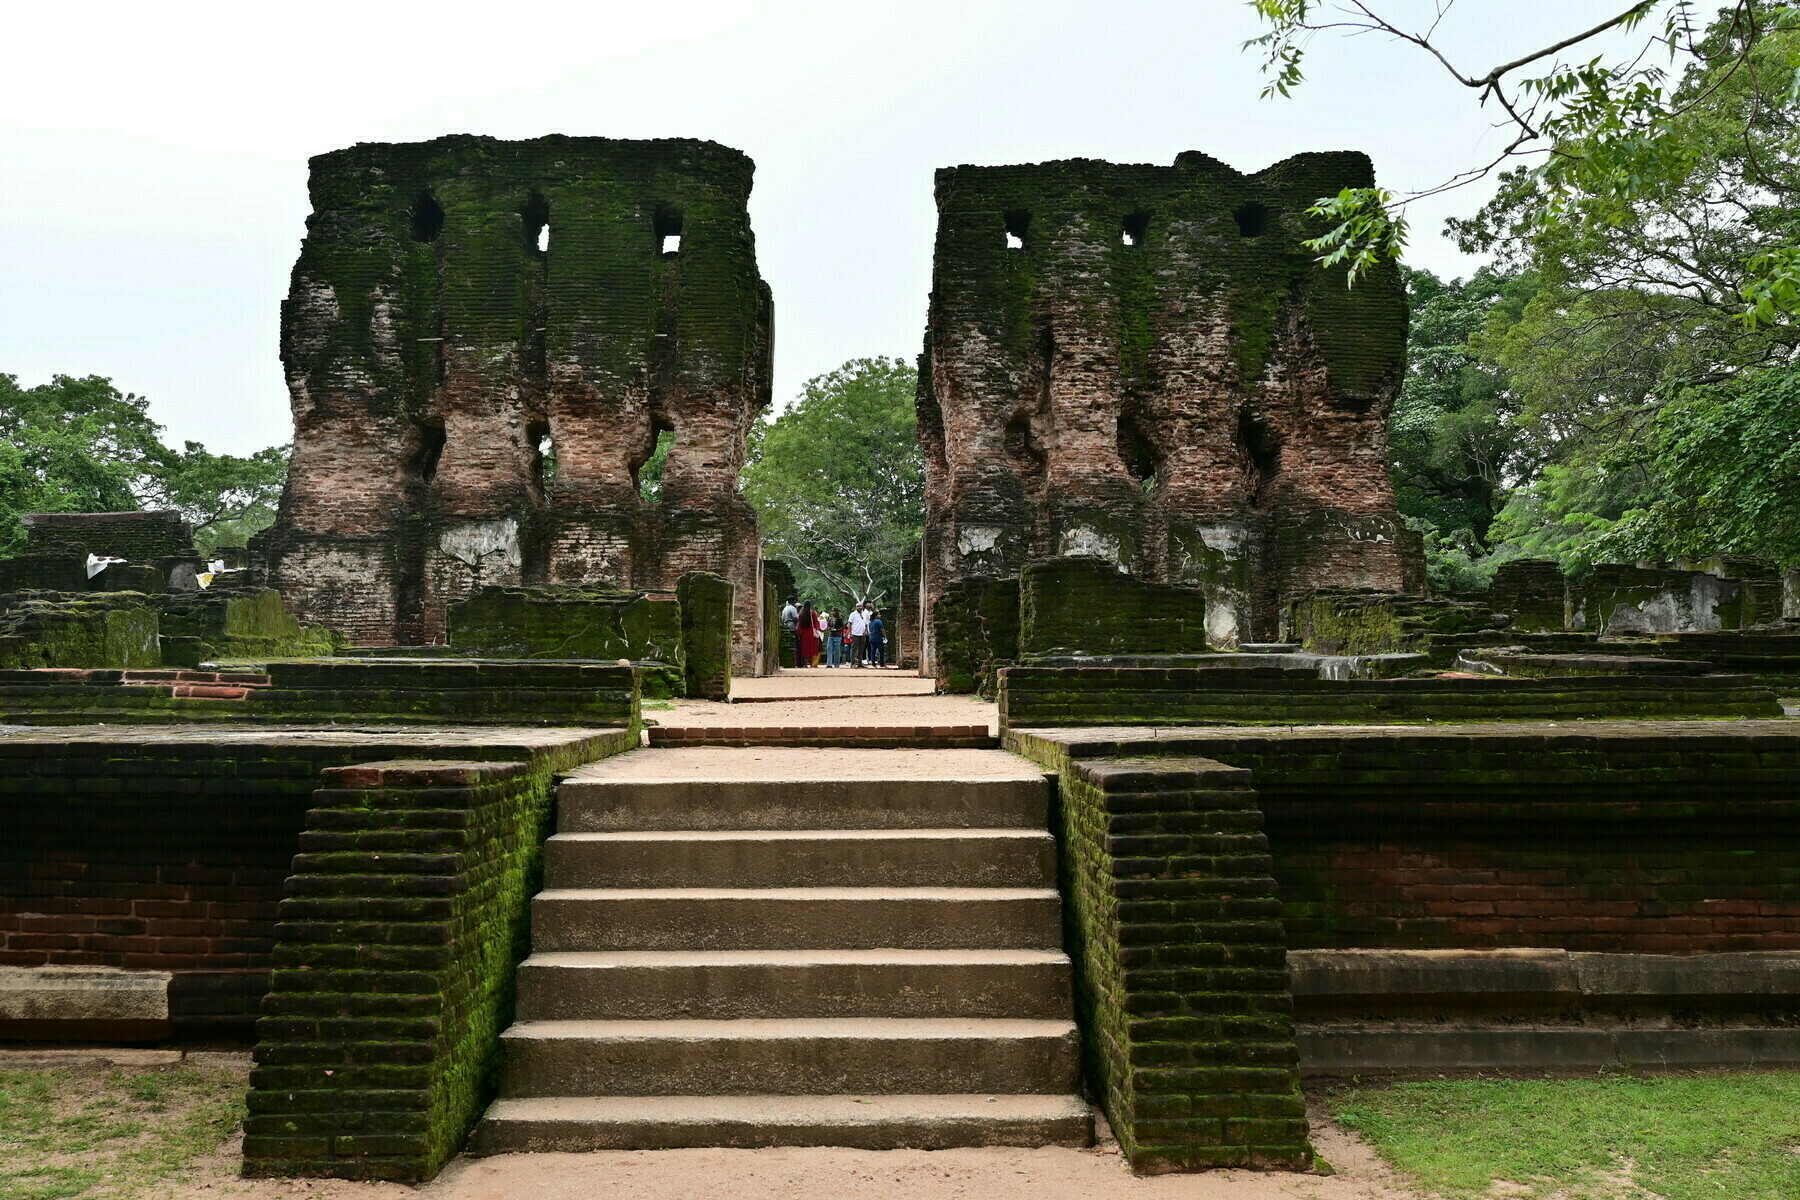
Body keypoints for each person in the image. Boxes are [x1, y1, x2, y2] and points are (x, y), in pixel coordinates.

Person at [796, 602, 819, 668]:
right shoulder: (813, 613)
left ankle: (805, 664)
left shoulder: (801, 614)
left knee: (804, 648)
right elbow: (815, 622)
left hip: (803, 633)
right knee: (812, 648)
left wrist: (799, 633)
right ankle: (812, 664)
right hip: (811, 633)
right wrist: (817, 630)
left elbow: (799, 624)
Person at [848, 603, 870, 667]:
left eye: (860, 606)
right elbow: (849, 623)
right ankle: (853, 663)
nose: (859, 607)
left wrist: (866, 631)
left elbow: (866, 624)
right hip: (855, 634)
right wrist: (850, 632)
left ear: (862, 607)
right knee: (854, 649)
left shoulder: (865, 614)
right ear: (856, 607)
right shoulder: (853, 614)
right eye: (857, 606)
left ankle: (860, 663)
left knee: (861, 649)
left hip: (862, 634)